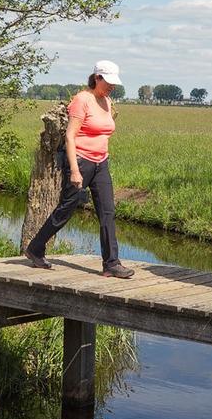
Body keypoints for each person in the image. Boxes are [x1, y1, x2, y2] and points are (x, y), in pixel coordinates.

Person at [26, 60, 135, 279]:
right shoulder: (82, 100)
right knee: (67, 207)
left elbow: (103, 133)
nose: (112, 86)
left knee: (107, 211)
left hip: (101, 162)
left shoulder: (107, 101)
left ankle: (111, 264)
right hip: (80, 161)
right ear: (97, 78)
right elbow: (70, 135)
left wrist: (102, 156)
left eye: (114, 82)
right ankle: (35, 248)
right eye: (108, 82)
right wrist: (75, 170)